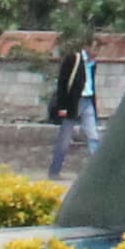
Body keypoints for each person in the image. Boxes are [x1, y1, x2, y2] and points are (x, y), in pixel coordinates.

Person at [45, 38, 100, 178]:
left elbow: (91, 84)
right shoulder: (73, 59)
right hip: (73, 104)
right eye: (94, 48)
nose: (96, 52)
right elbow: (62, 84)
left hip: (87, 101)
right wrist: (62, 107)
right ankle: (54, 171)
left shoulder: (92, 64)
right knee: (64, 140)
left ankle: (99, 171)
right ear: (86, 46)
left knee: (93, 136)